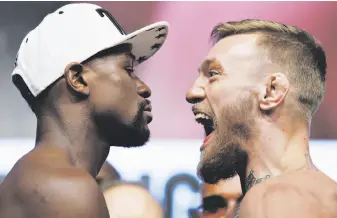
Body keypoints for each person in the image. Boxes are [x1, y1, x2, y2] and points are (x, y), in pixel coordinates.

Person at [0, 3, 168, 218]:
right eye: (128, 69)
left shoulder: (34, 179)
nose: (144, 88)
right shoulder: (65, 188)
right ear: (77, 79)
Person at [186, 19, 337, 217]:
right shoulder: (313, 196)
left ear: (272, 91)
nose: (192, 92)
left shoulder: (277, 200)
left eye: (213, 74)